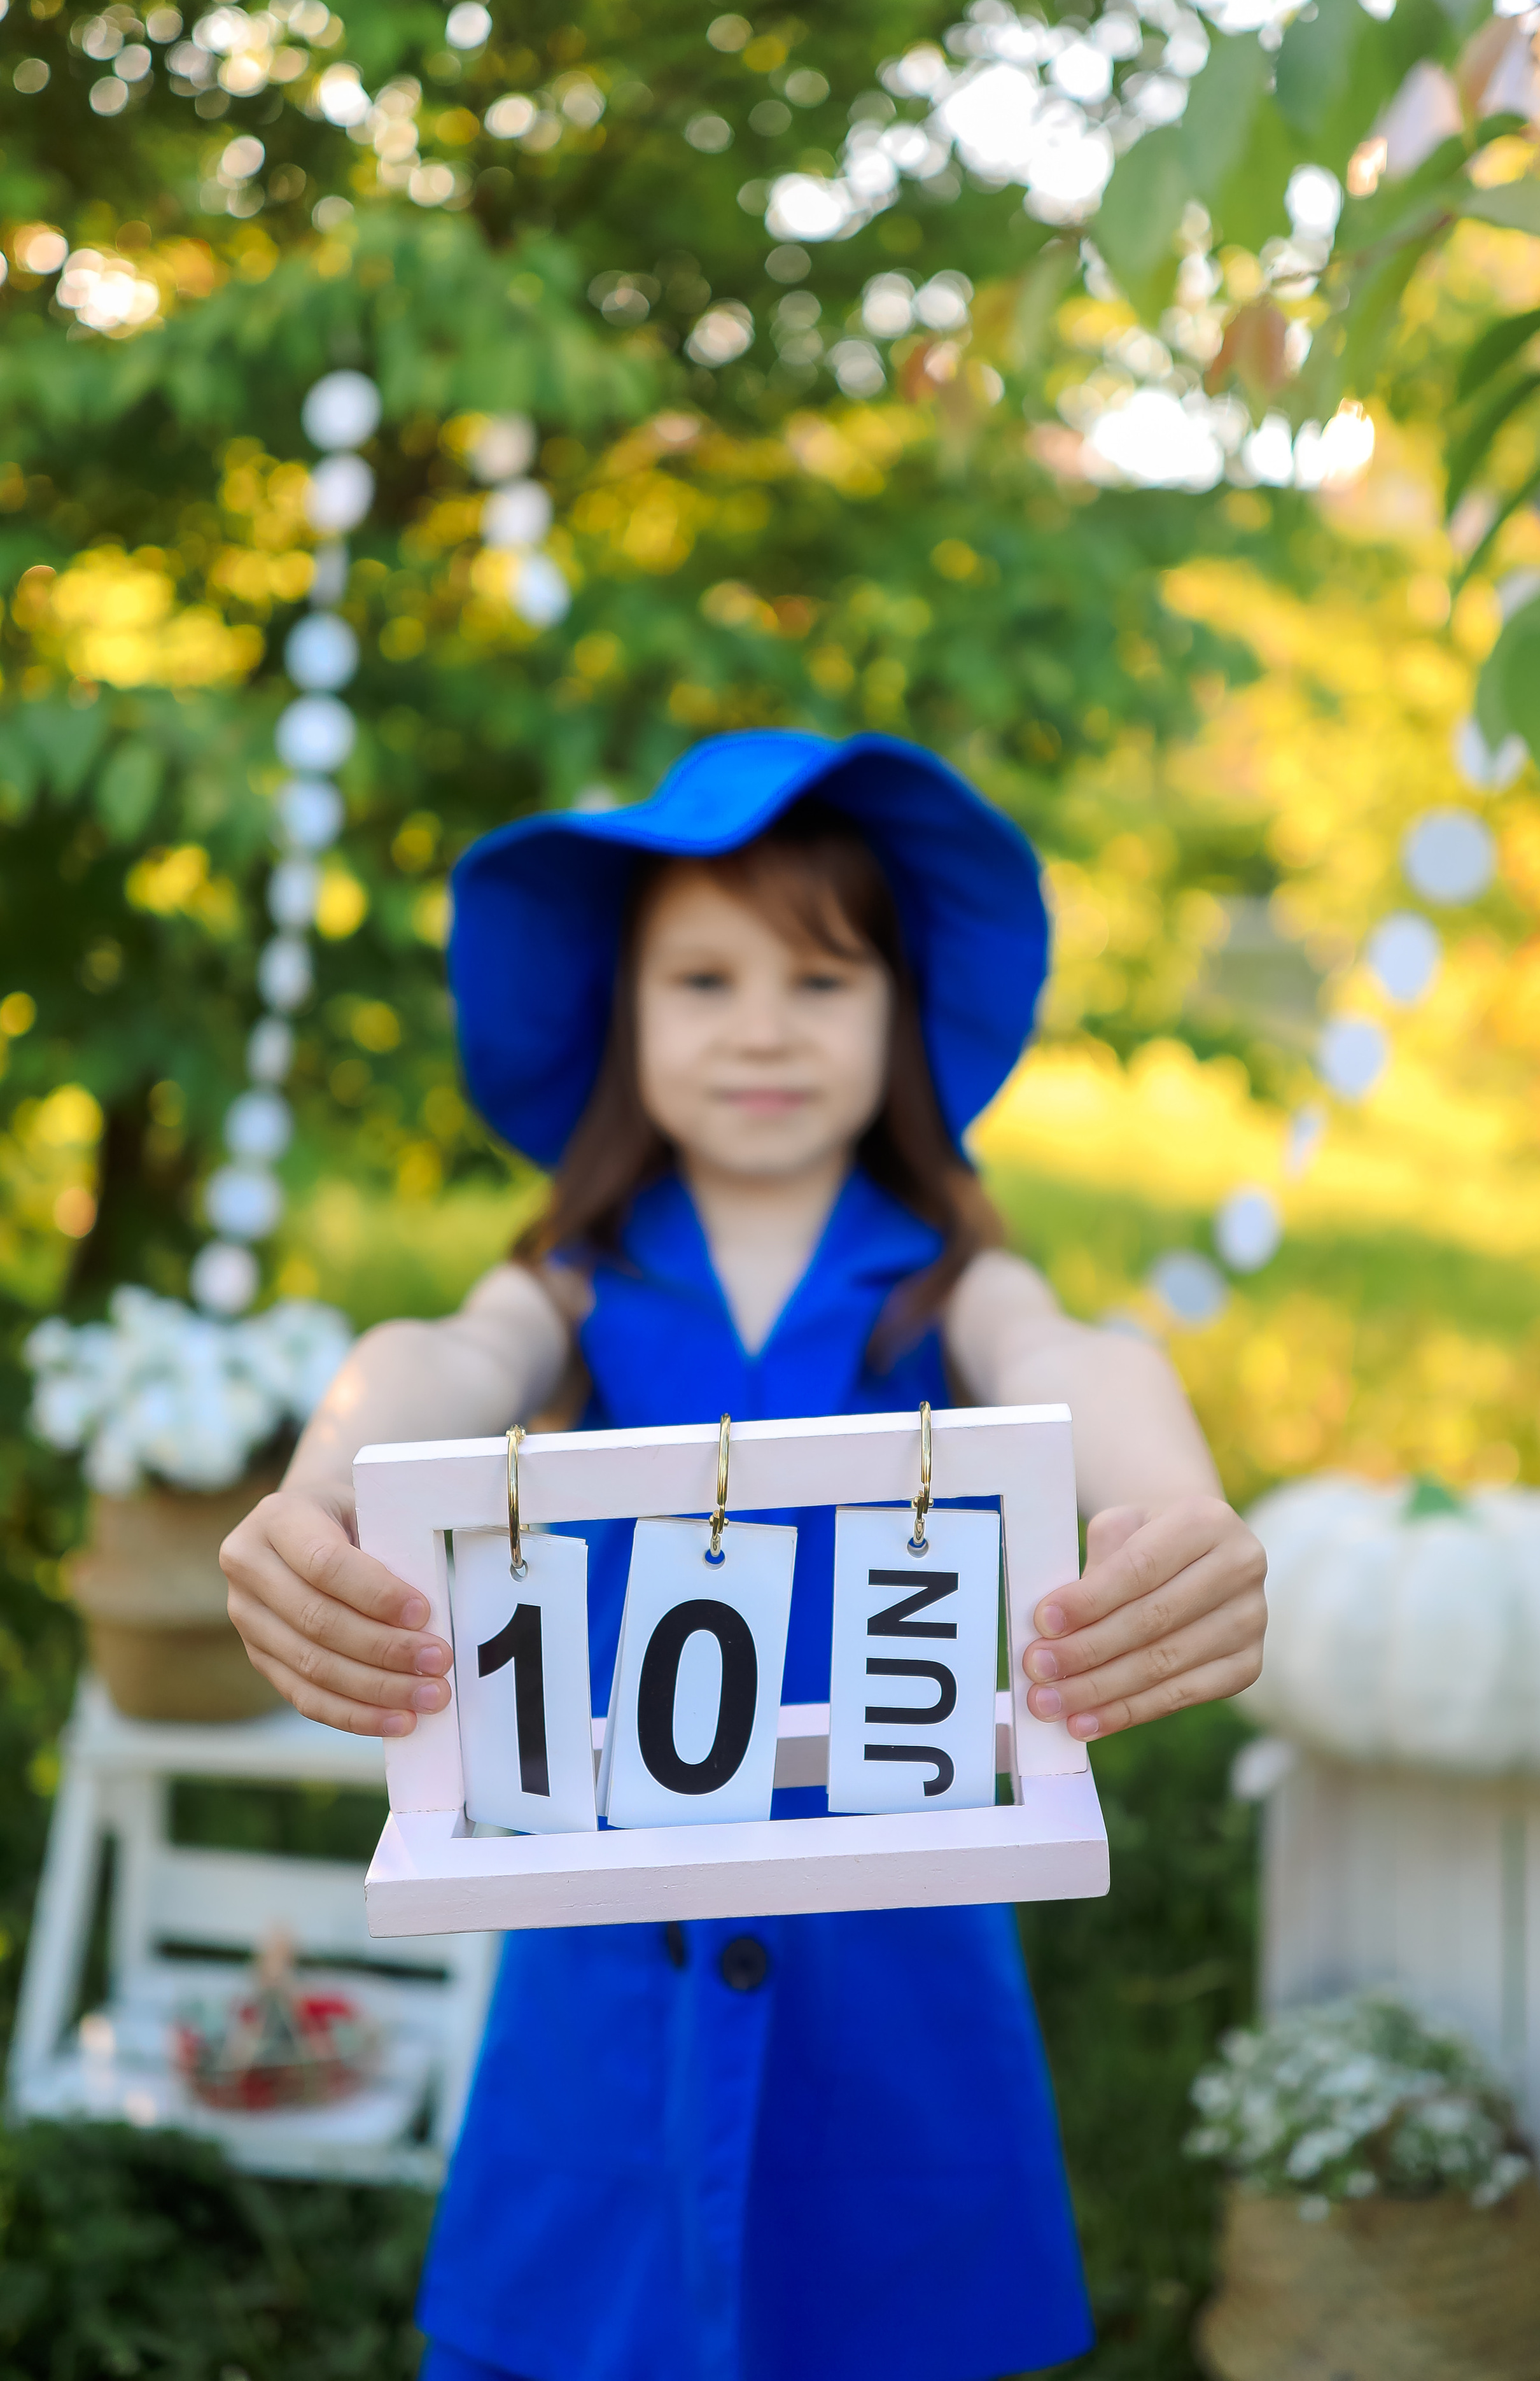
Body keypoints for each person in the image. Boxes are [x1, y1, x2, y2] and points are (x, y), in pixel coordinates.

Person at [220, 729, 1267, 2381]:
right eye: (704, 980)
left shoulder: (937, 1277)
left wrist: (1173, 1501)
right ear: (622, 1019)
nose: (765, 1027)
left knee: (887, 2311)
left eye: (824, 979)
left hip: (896, 1954)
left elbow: (1075, 1357)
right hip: (605, 1944)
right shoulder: (578, 1274)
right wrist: (326, 1481)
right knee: (592, 2315)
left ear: (898, 1018)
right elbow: (439, 1355)